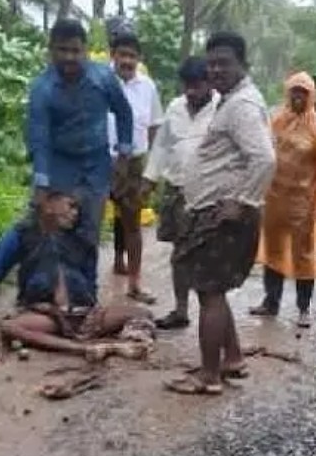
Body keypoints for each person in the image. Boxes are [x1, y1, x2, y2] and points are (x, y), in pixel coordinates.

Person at [163, 32, 276, 396]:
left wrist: (241, 200)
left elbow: (264, 158)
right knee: (214, 290)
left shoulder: (241, 105)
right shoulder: (232, 101)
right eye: (211, 63)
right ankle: (233, 359)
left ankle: (208, 376)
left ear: (243, 64)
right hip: (212, 210)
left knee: (209, 293)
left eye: (224, 63)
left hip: (223, 215)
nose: (216, 70)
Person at [0, 192, 155, 362]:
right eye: (70, 206)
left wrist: (92, 314)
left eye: (77, 208)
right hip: (48, 317)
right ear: (48, 203)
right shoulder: (22, 233)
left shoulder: (83, 240)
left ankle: (126, 345)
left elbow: (91, 287)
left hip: (84, 315)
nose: (75, 213)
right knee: (9, 328)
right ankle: (83, 349)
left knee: (142, 314)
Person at [28, 18, 135, 296]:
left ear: (85, 50)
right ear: (51, 50)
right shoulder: (42, 89)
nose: (69, 58)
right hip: (60, 166)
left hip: (97, 166)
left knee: (89, 232)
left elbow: (124, 113)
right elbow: (38, 138)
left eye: (75, 51)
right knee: (56, 234)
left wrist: (123, 155)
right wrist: (41, 184)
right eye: (62, 50)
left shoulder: (102, 78)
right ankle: (53, 295)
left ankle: (88, 297)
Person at [251, 72, 316, 328]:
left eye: (303, 92)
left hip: (303, 202)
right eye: (294, 91)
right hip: (274, 198)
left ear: (312, 96)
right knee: (273, 250)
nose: (298, 96)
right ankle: (271, 302)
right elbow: (263, 153)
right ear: (288, 93)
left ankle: (303, 308)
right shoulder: (277, 119)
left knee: (304, 255)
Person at [142, 56, 219, 330]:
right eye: (187, 85)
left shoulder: (222, 109)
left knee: (203, 255)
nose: (190, 91)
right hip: (175, 190)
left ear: (209, 82)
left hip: (207, 194)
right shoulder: (175, 108)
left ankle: (212, 314)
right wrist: (149, 178)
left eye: (196, 85)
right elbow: (162, 146)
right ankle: (181, 309)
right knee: (178, 253)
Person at [105, 31, 163, 301]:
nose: (127, 60)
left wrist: (152, 169)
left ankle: (135, 283)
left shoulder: (147, 86)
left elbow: (154, 128)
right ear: (112, 55)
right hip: (100, 161)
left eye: (132, 56)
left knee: (132, 223)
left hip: (134, 164)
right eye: (122, 54)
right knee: (88, 223)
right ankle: (80, 286)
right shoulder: (99, 81)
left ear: (139, 59)